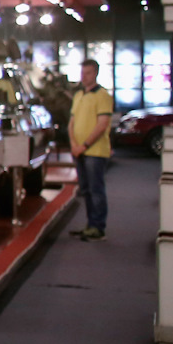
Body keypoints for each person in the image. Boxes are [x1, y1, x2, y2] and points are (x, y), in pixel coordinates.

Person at [69, 58, 113, 241]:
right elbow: (71, 123)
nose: (84, 77)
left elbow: (102, 124)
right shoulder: (78, 95)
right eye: (82, 73)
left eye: (87, 73)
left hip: (95, 151)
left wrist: (84, 145)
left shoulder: (102, 95)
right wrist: (74, 145)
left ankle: (98, 227)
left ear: (95, 73)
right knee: (86, 190)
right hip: (79, 151)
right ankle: (90, 224)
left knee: (96, 189)